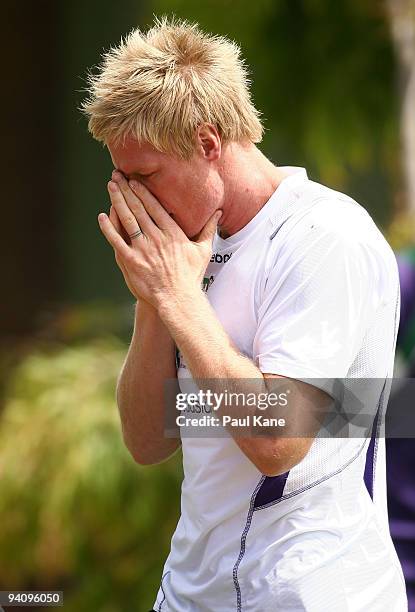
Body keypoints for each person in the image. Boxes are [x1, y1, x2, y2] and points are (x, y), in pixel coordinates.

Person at [82, 17, 408, 612]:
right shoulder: (181, 255)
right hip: (189, 593)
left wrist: (179, 297)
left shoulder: (322, 237)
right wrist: (155, 303)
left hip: (312, 595)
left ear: (207, 143)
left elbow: (278, 439)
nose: (131, 198)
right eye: (120, 177)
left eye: (145, 175)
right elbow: (148, 440)